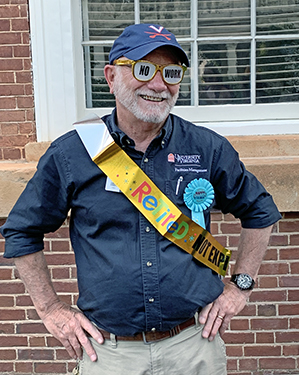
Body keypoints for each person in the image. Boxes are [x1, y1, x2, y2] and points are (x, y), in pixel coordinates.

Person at [0, 23, 281, 375]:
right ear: (111, 76)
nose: (159, 85)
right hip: (110, 354)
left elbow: (260, 211)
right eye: (143, 69)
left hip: (193, 347)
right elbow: (22, 231)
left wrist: (241, 286)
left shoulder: (207, 148)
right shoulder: (72, 153)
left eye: (171, 73)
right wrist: (50, 309)